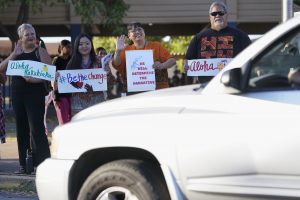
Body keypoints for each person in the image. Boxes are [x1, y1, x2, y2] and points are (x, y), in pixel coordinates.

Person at [0, 23, 51, 173]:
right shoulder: (15, 53)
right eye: (27, 34)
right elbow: (1, 69)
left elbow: (50, 74)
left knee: (36, 128)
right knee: (21, 129)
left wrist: (32, 80)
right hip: (18, 95)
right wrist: (13, 55)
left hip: (35, 94)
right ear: (20, 38)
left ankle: (42, 164)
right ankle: (24, 164)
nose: (30, 36)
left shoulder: (40, 52)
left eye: (32, 33)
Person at [184, 1, 251, 84]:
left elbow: (251, 58)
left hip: (232, 86)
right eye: (214, 14)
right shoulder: (198, 38)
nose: (217, 16)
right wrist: (186, 65)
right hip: (206, 87)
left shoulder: (241, 36)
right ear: (210, 17)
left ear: (226, 15)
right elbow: (188, 60)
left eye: (221, 13)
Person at [112, 22, 176, 94]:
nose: (137, 32)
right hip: (135, 92)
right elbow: (116, 64)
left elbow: (172, 61)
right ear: (129, 36)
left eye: (139, 29)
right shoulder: (126, 49)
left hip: (158, 90)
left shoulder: (156, 46)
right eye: (133, 31)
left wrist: (162, 65)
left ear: (144, 32)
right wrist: (117, 51)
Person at [65, 33, 112, 113]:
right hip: (78, 104)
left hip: (98, 102)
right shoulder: (72, 63)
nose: (84, 46)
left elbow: (109, 82)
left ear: (91, 45)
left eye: (87, 43)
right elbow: (66, 81)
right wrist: (58, 78)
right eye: (81, 44)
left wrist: (107, 74)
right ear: (76, 46)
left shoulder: (100, 61)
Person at [51, 40, 72, 125]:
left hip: (71, 94)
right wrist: (56, 96)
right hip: (60, 95)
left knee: (72, 119)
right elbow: (53, 78)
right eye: (67, 47)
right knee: (63, 120)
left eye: (71, 47)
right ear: (61, 48)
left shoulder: (72, 59)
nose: (70, 49)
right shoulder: (56, 60)